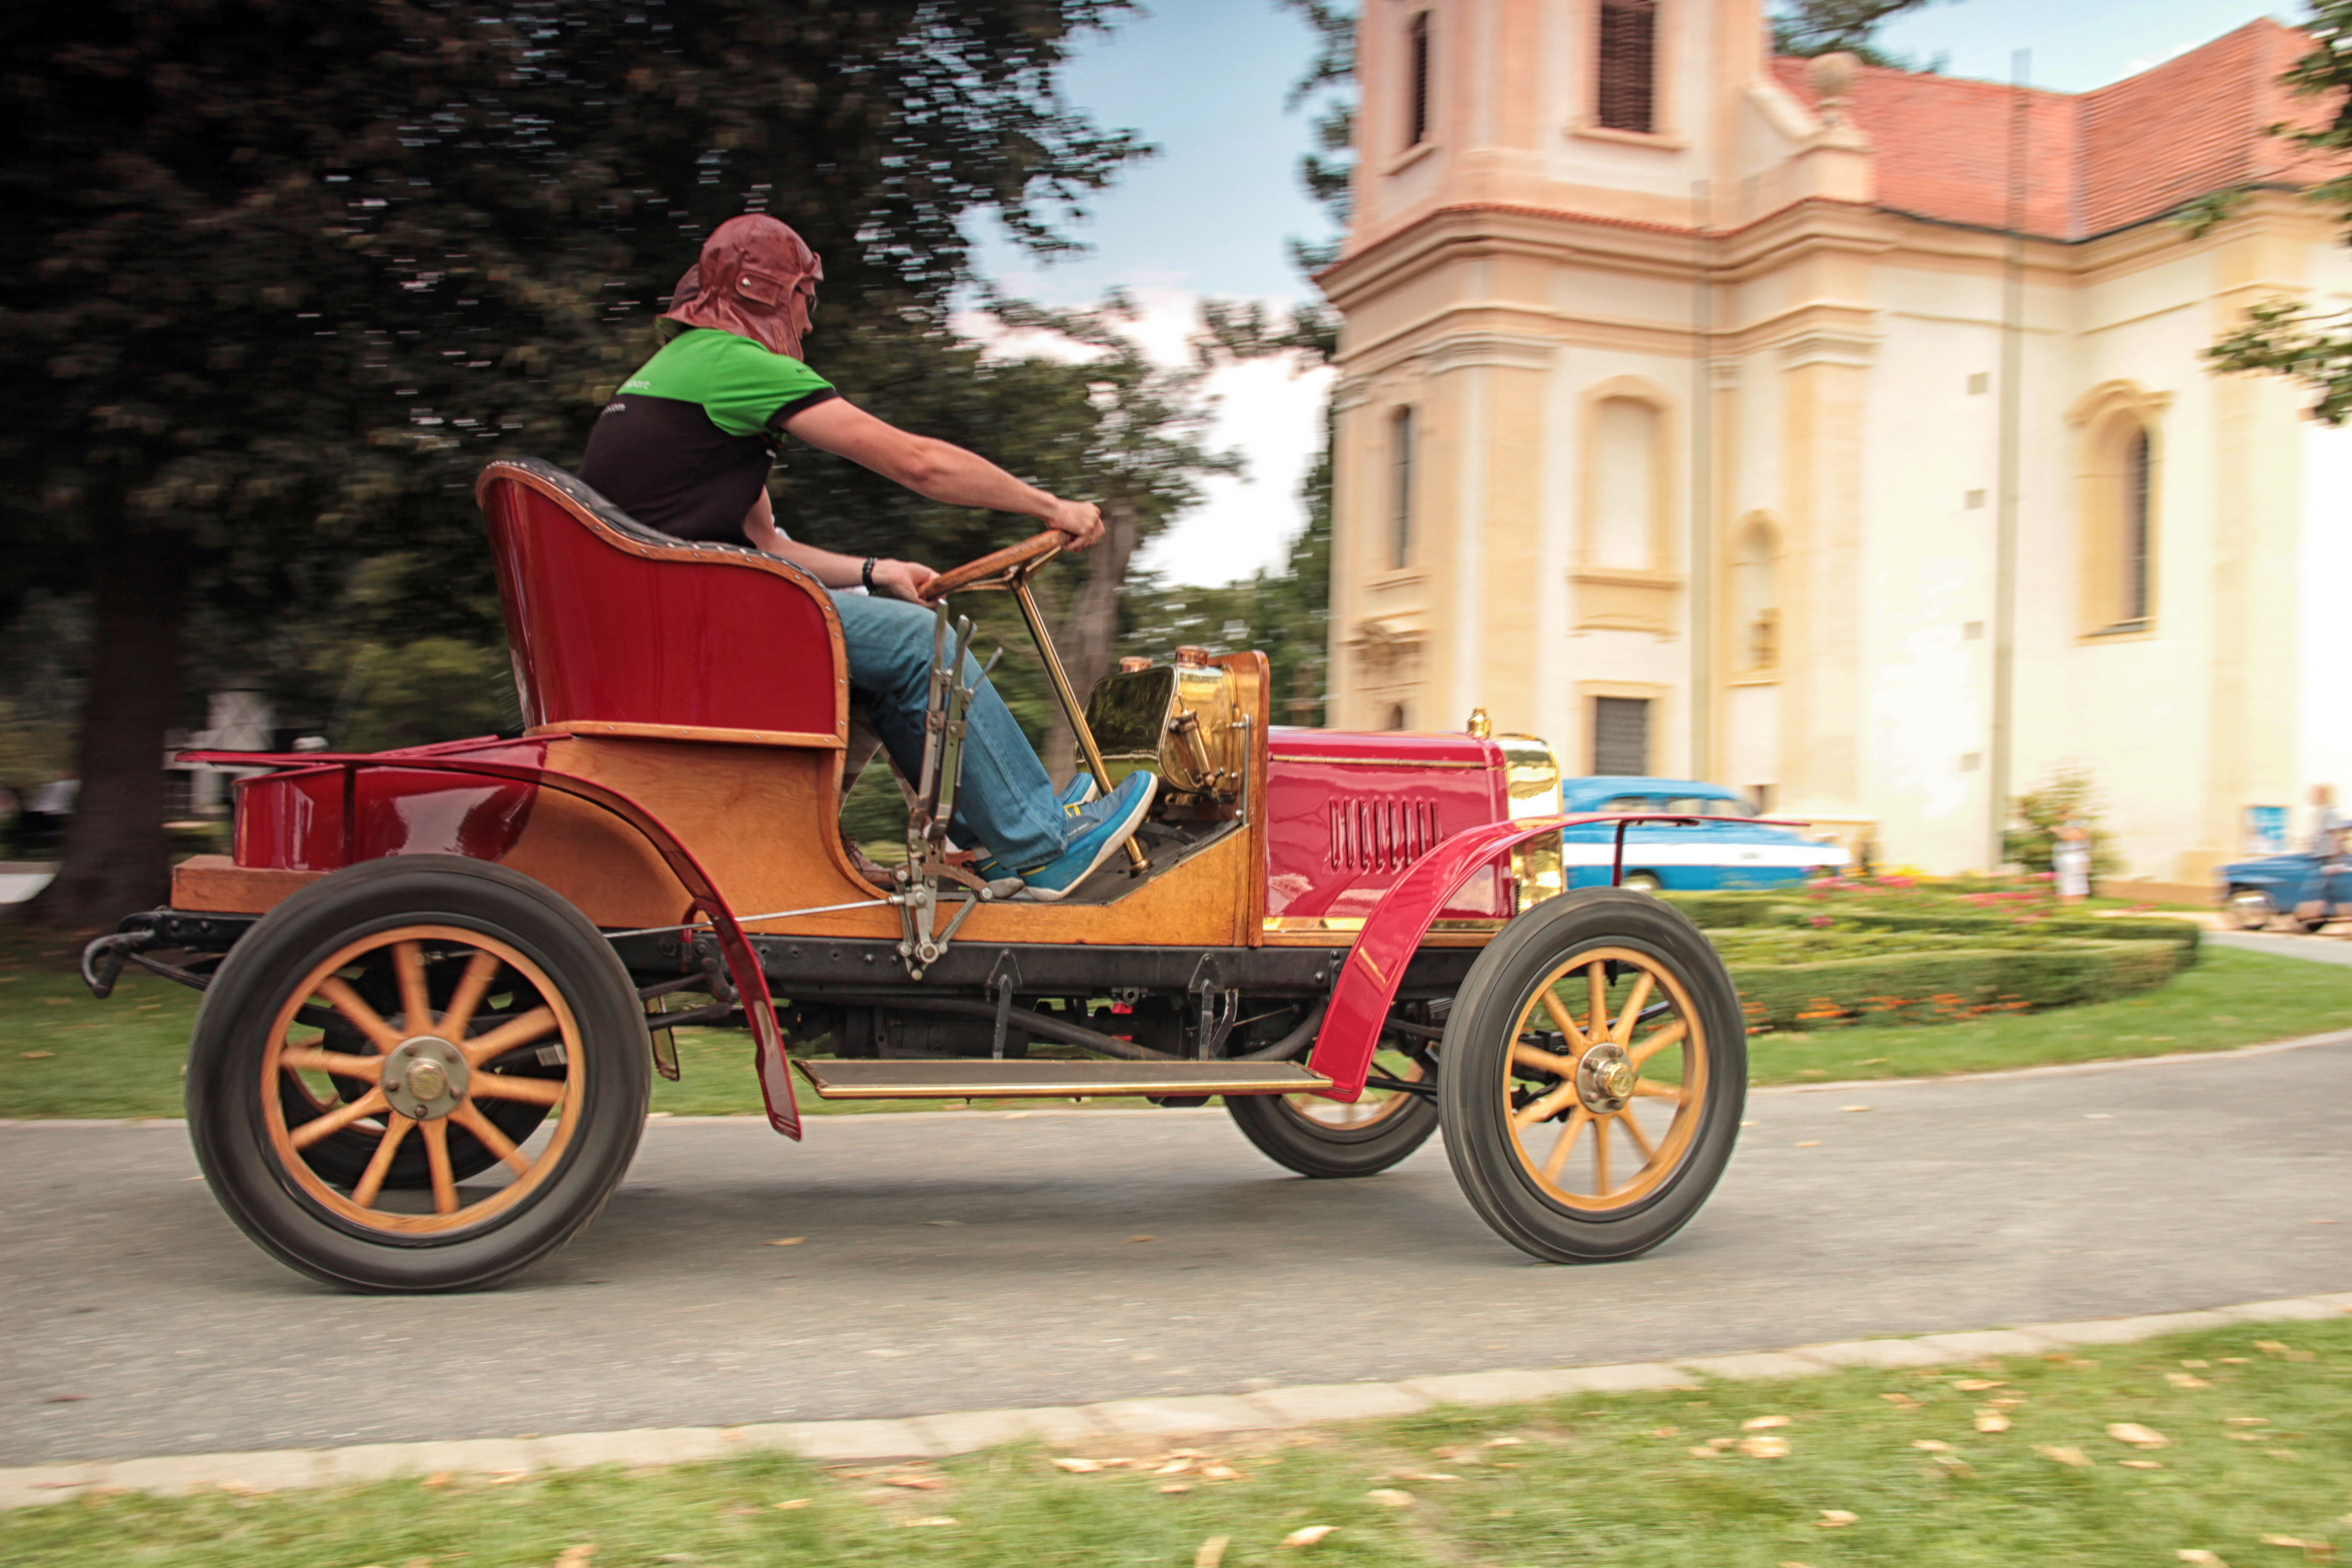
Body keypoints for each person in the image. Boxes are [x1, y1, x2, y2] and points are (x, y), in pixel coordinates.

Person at [578, 215, 1151, 901]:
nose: (809, 325)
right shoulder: (731, 363)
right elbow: (919, 465)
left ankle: (993, 847)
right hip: (698, 628)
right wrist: (1049, 507)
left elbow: (768, 545)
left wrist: (878, 572)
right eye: (806, 300)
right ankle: (1043, 845)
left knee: (884, 658)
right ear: (766, 293)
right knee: (926, 645)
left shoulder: (673, 375)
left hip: (672, 621)